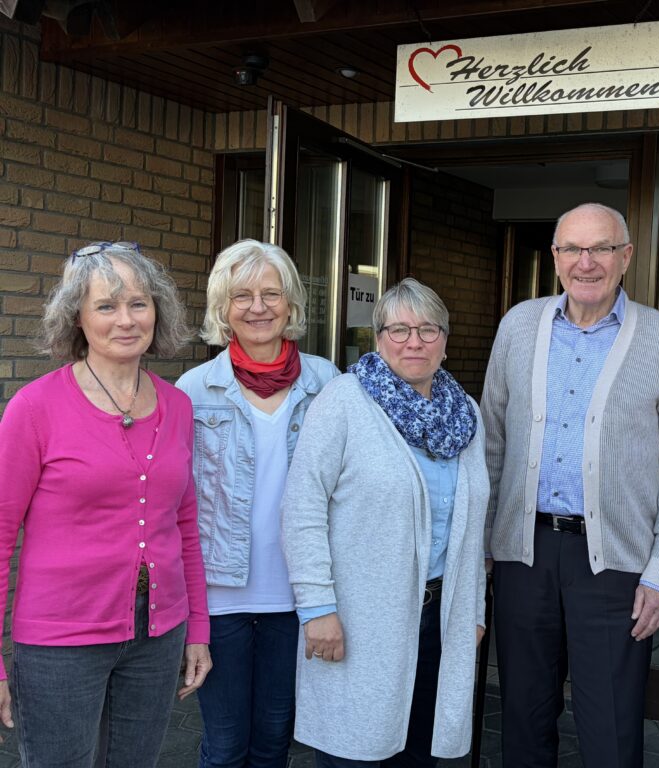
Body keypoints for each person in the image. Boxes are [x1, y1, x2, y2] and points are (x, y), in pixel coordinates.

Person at [481, 202, 659, 767]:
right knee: (524, 718)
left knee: (611, 729)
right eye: (573, 249)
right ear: (555, 257)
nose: (586, 262)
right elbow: (492, 440)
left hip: (616, 564)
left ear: (625, 257)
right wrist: (481, 545)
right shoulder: (518, 325)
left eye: (601, 248)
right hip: (523, 553)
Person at [0, 241, 211, 767]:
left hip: (158, 636)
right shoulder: (35, 408)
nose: (126, 319)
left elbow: (185, 526)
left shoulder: (178, 406)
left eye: (139, 303)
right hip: (60, 640)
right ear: (77, 316)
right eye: (106, 305)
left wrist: (198, 629)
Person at [280, 277, 488, 767]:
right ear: (378, 338)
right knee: (355, 752)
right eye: (399, 330)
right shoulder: (344, 402)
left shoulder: (466, 416)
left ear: (445, 340)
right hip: (358, 619)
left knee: (418, 754)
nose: (414, 342)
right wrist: (317, 608)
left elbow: (473, 526)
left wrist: (473, 610)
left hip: (440, 619)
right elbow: (302, 508)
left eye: (428, 329)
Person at [175, 240, 340, 768]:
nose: (258, 307)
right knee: (225, 746)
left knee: (273, 742)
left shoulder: (329, 384)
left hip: (296, 597)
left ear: (290, 303)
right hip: (219, 599)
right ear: (222, 308)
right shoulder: (193, 390)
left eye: (271, 293)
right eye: (241, 295)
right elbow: (176, 506)